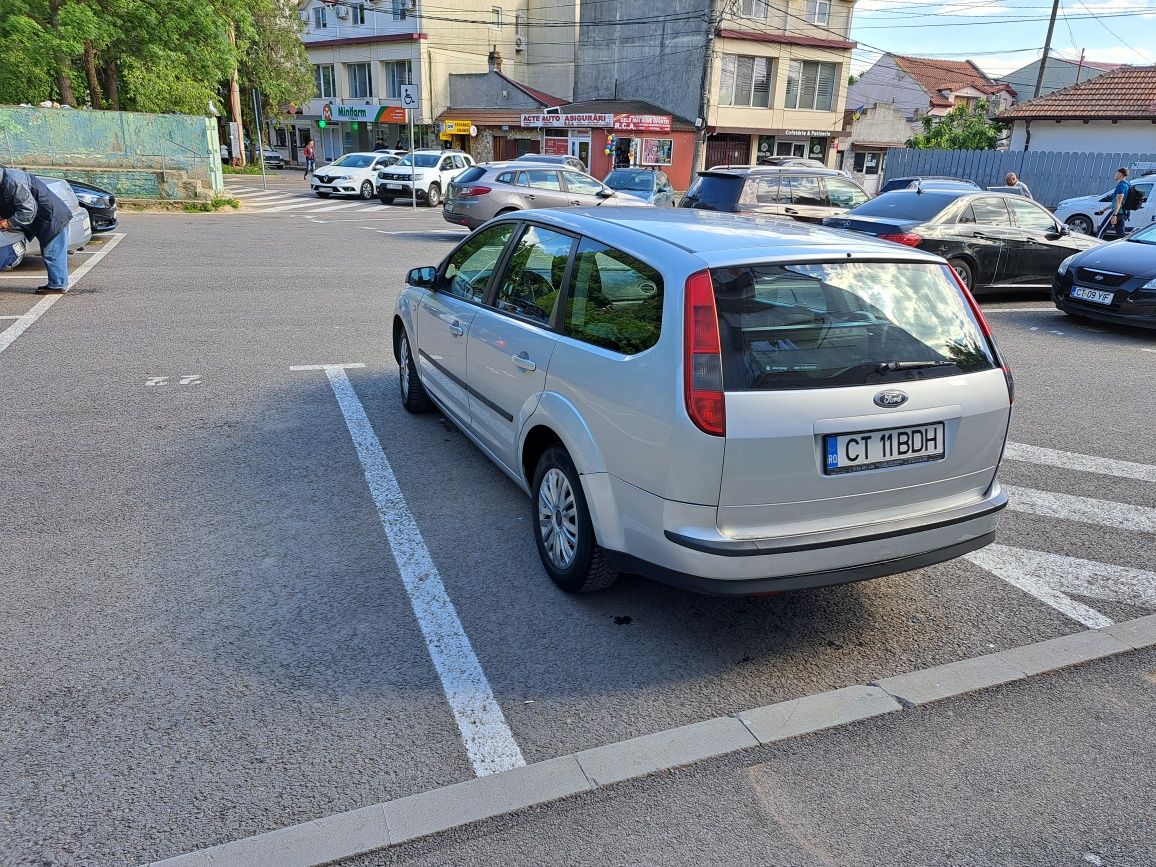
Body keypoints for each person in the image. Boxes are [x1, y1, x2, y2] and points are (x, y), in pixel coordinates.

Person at [0, 165, 72, 293]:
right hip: (47, 217)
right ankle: (57, 283)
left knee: (52, 252)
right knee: (51, 251)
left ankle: (57, 286)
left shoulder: (14, 181)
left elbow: (28, 210)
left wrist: (9, 223)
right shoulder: (6, 179)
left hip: (53, 217)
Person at [1096, 167, 1130, 240]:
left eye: (1117, 173)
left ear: (1121, 174)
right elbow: (1116, 203)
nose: (1115, 175)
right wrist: (1104, 210)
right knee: (1121, 234)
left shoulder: (1121, 186)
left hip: (1117, 212)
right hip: (1122, 212)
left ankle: (1095, 248)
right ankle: (1125, 249)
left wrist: (1114, 215)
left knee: (1101, 230)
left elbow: (1119, 202)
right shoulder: (1127, 184)